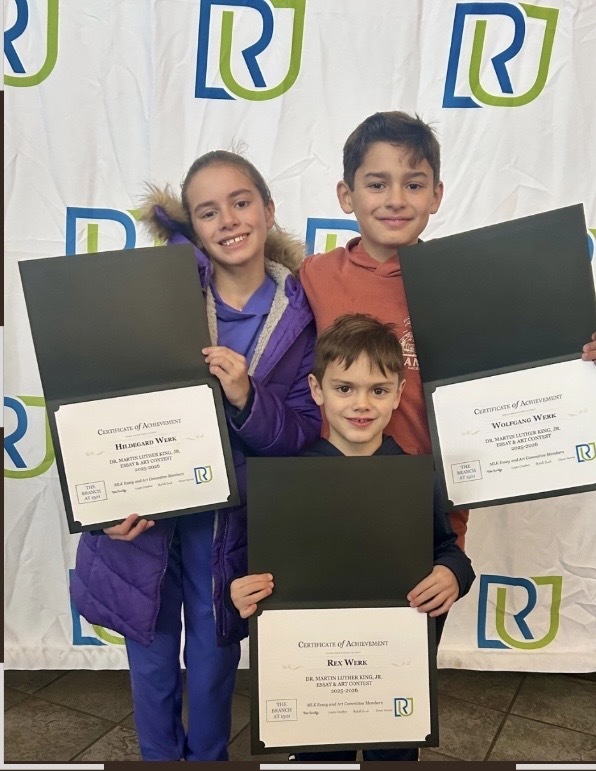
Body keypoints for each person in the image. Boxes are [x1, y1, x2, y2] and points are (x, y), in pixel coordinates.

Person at [70, 150, 321, 761]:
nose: (229, 220)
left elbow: (300, 434)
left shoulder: (304, 314)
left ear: (268, 209)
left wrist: (247, 396)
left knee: (213, 657)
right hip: (145, 515)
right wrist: (100, 501)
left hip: (229, 521)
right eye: (208, 211)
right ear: (195, 225)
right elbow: (89, 398)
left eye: (241, 202)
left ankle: (208, 759)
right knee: (151, 655)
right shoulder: (152, 292)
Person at [298, 109, 596, 549]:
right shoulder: (314, 276)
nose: (396, 199)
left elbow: (530, 361)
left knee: (422, 610)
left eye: (414, 185)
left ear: (436, 196)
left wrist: (580, 356)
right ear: (347, 194)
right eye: (377, 184)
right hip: (332, 494)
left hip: (435, 506)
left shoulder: (467, 282)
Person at [231, 313, 475, 762]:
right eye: (345, 388)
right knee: (319, 755)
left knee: (395, 753)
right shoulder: (288, 481)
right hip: (315, 671)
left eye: (378, 390)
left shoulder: (416, 475)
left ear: (399, 394)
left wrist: (452, 573)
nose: (361, 404)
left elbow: (447, 550)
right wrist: (242, 590)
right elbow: (259, 566)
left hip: (394, 665)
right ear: (317, 389)